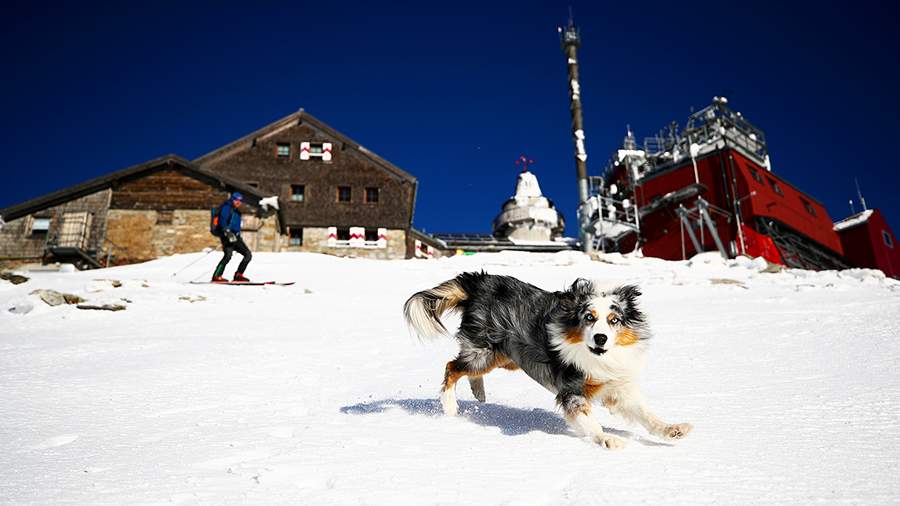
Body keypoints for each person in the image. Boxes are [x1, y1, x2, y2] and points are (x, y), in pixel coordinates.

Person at [212, 192, 252, 283]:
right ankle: (217, 275)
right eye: (236, 200)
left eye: (240, 201)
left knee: (248, 255)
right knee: (228, 256)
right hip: (227, 236)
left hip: (236, 237)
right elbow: (222, 221)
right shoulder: (226, 208)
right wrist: (227, 232)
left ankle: (239, 275)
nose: (238, 202)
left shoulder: (236, 210)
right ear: (232, 200)